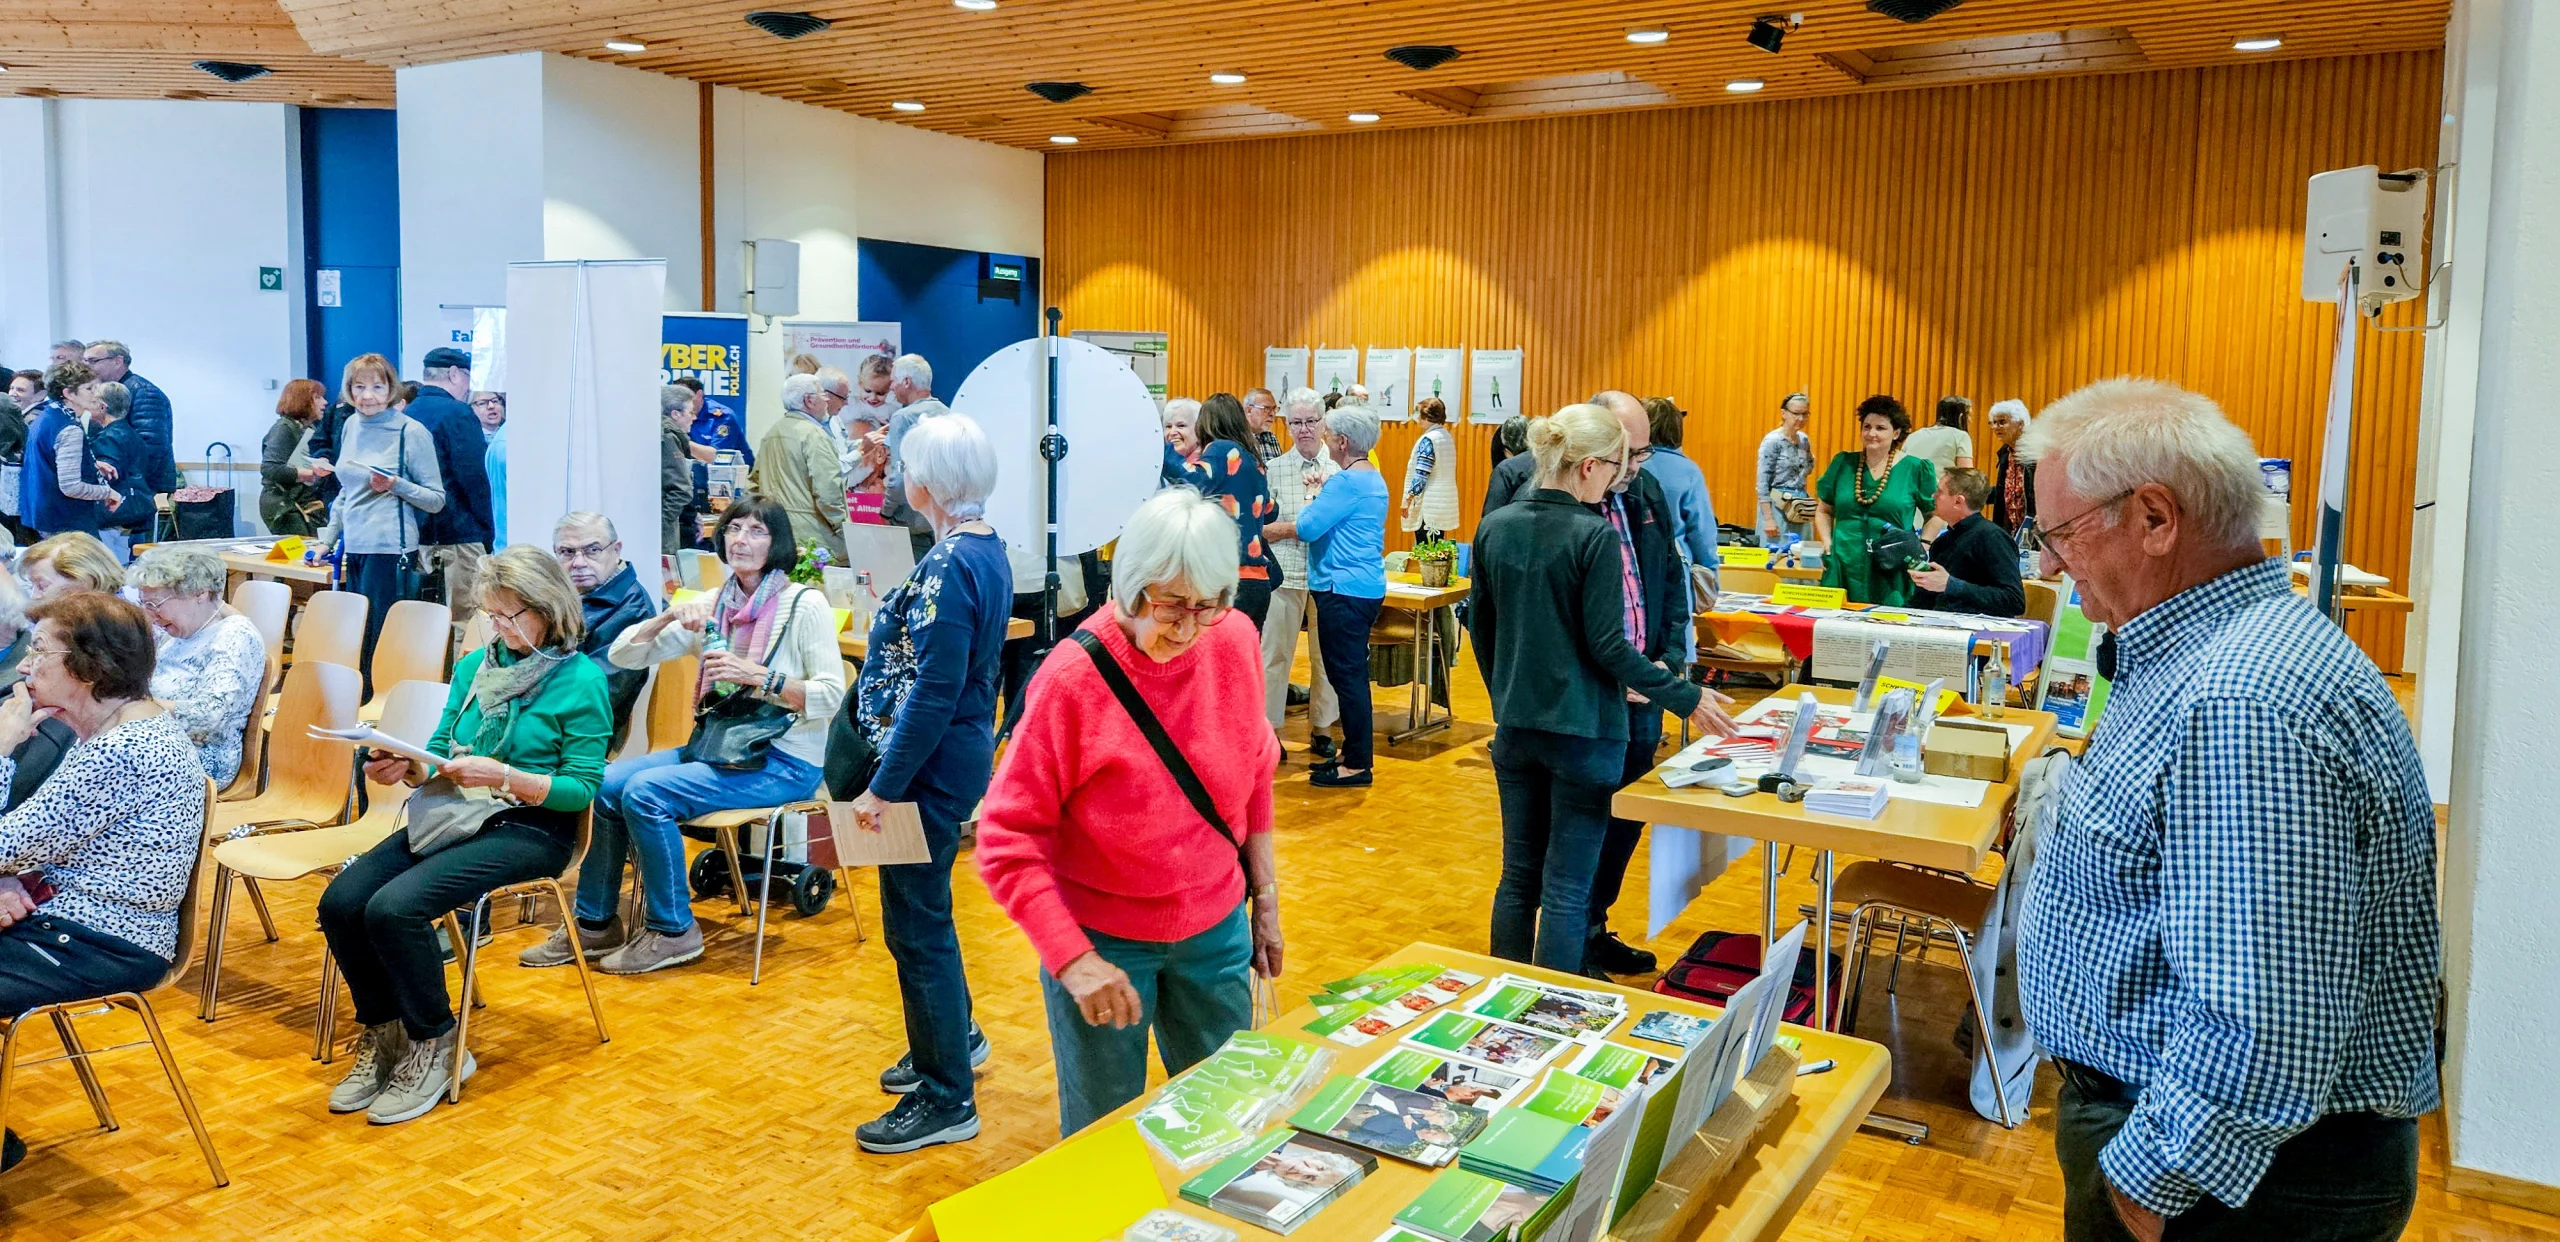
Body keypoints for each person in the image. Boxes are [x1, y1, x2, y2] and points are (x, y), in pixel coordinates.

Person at [2013, 378, 2439, 1242]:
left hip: (2234, 1180)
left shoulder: (2242, 697)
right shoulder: (2211, 655)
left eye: (2058, 534)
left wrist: (2145, 1181)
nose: (2050, 565)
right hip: (2225, 1154)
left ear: (2155, 519)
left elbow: (2265, 1019)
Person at [977, 488, 1284, 1138]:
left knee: (1227, 1129)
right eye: (1171, 605)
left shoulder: (1232, 639)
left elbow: (1257, 766)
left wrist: (1265, 901)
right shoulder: (1071, 682)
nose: (1187, 627)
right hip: (1105, 946)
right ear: (1129, 584)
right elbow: (1006, 840)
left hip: (1215, 932)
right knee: (1103, 1137)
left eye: (1208, 605)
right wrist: (1072, 961)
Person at [319, 546, 610, 1126]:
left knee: (394, 909)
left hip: (534, 826)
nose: (499, 629)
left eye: (510, 617)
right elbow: (444, 751)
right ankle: (387, 1034)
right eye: (491, 617)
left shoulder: (581, 681)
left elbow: (580, 791)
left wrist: (506, 776)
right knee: (342, 902)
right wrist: (407, 766)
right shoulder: (475, 665)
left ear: (548, 610)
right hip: (459, 811)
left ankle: (437, 1041)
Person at [1470, 404, 1728, 975]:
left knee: (1518, 877)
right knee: (1565, 887)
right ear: (1588, 467)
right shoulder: (1593, 535)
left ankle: (1501, 999)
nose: (1621, 478)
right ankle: (1550, 1013)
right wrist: (1685, 696)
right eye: (1616, 465)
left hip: (1517, 730)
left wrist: (1505, 697)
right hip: (1585, 734)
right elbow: (1609, 647)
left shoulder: (1495, 526)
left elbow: (1483, 630)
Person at [842, 415, 1013, 1153]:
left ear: (927, 483)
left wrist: (882, 789)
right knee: (919, 921)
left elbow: (934, 691)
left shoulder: (949, 566)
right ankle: (951, 1039)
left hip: (923, 773)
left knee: (916, 927)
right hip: (942, 761)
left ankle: (948, 1096)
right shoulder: (983, 550)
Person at [585, 496, 845, 975]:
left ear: (778, 543)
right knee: (605, 785)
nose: (742, 540)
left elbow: (832, 695)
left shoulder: (804, 605)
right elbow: (624, 655)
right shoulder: (714, 604)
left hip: (784, 763)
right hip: (717, 748)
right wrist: (666, 616)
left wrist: (758, 677)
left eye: (757, 531)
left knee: (645, 792)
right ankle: (595, 923)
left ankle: (672, 931)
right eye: (734, 529)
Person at [0, 592, 205, 1172]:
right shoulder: (114, 730)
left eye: (38, 652)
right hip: (75, 917)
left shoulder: (123, 750)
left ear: (86, 667)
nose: (23, 666)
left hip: (104, 942)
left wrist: (1, 749)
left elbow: (4, 845)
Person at [1585, 391, 1713, 976]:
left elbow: (1669, 585)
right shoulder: (1563, 498)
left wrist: (1665, 664)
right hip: (1594, 696)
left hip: (1648, 688)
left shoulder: (1647, 490)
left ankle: (1596, 923)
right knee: (1586, 819)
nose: (1638, 465)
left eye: (1644, 452)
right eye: (1628, 453)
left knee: (1628, 813)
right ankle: (1573, 933)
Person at [1258, 405, 1387, 788]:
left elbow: (1309, 527)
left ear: (1342, 442)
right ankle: (1353, 754)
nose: (1323, 437)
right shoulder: (1371, 477)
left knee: (1347, 679)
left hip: (1341, 590)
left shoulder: (1345, 483)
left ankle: (1358, 764)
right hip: (1362, 588)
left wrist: (1262, 531)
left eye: (1327, 432)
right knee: (1349, 676)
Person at [321, 352, 446, 675]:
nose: (367, 396)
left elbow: (436, 499)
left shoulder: (411, 432)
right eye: (359, 387)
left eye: (377, 387)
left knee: (383, 640)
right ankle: (356, 705)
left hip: (390, 549)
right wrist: (328, 540)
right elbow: (346, 492)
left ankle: (383, 709)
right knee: (357, 637)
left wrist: (395, 485)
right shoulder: (350, 425)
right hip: (356, 547)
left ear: (392, 389)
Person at [129, 547, 265, 788]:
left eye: (154, 604)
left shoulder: (234, 637)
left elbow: (207, 717)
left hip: (199, 760)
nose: (149, 615)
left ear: (200, 594)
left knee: (102, 764)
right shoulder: (177, 630)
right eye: (144, 604)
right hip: (157, 743)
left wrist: (132, 705)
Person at [1261, 390, 1340, 761]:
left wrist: (1289, 527)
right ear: (1287, 425)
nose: (1304, 429)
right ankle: (1269, 730)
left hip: (1328, 576)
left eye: (1311, 421)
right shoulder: (1274, 470)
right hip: (1285, 575)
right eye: (1296, 422)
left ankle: (1322, 728)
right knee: (1275, 655)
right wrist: (1301, 528)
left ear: (1324, 423)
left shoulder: (1340, 471)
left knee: (1327, 656)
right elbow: (1263, 527)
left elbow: (1341, 525)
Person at [1815, 394, 1936, 606]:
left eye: (1880, 428)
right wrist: (1827, 543)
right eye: (1867, 426)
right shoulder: (1843, 463)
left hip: (1891, 565)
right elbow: (1824, 510)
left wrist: (1923, 546)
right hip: (1844, 561)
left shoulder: (1916, 468)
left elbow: (1934, 515)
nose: (1872, 434)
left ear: (1896, 433)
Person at [1174, 394, 1280, 629]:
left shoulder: (1220, 449)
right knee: (1244, 660)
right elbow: (1270, 510)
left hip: (1229, 579)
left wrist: (1165, 453)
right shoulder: (1253, 459)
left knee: (1215, 660)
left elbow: (1194, 480)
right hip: (1258, 581)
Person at [409, 347, 497, 631]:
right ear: (455, 373)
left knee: (426, 625)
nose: (467, 388)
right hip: (458, 533)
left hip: (418, 535)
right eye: (467, 380)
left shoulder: (406, 413)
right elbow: (473, 478)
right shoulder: (457, 413)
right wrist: (486, 530)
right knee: (467, 621)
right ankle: (463, 676)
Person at [552, 512, 658, 736]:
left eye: (593, 550)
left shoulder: (632, 608)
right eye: (567, 552)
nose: (579, 563)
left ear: (616, 550)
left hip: (583, 732)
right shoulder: (560, 595)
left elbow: (596, 692)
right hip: (549, 714)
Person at [752, 373, 848, 566]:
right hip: (813, 537)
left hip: (777, 533)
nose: (827, 400)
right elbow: (828, 492)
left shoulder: (771, 433)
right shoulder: (815, 435)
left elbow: (754, 484)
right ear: (809, 400)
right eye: (823, 395)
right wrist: (843, 529)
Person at [1908, 468, 2025, 616]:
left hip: (1980, 631)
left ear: (1958, 501)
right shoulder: (1942, 542)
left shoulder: (1992, 537)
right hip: (1941, 625)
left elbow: (2014, 601)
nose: (1933, 496)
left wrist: (1951, 585)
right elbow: (1925, 600)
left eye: (1940, 491)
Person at [1640, 395, 1719, 606]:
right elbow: (1701, 531)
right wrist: (1710, 575)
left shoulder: (1626, 466)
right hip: (1674, 568)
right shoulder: (1688, 471)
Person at [23, 361, 116, 539]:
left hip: (46, 514)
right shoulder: (69, 428)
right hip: (66, 521)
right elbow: (71, 487)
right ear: (68, 393)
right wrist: (108, 492)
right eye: (90, 388)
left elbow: (51, 458)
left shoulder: (48, 414)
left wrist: (90, 464)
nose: (97, 394)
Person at [876, 354, 951, 560]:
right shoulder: (948, 414)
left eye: (893, 381)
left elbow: (899, 476)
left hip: (910, 523)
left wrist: (886, 511)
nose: (891, 387)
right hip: (942, 520)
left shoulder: (903, 418)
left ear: (906, 382)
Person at [79, 341, 174, 495]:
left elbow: (152, 446)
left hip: (139, 488)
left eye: (93, 361)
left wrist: (129, 481)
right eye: (84, 361)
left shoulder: (144, 393)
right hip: (120, 482)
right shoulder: (107, 390)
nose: (86, 367)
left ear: (118, 361)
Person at [88, 381, 155, 561]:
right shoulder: (132, 434)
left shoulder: (108, 438)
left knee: (108, 564)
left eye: (92, 401)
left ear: (103, 407)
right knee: (121, 563)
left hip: (111, 512)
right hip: (129, 511)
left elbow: (108, 475)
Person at [261, 379, 331, 537]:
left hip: (301, 502)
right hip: (283, 505)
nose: (325, 402)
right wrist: (309, 473)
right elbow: (270, 469)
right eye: (318, 397)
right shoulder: (284, 429)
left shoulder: (309, 428)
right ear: (303, 400)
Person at [1756, 392, 1816, 549]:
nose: (1801, 419)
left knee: (1801, 555)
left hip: (1800, 505)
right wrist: (1768, 519)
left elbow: (1809, 466)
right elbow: (1762, 483)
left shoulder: (1803, 440)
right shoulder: (1772, 441)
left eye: (1805, 414)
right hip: (1777, 506)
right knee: (1776, 555)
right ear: (1784, 413)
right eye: (1796, 414)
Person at [1400, 398, 1462, 543]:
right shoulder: (1445, 436)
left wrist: (1408, 499)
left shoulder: (1429, 439)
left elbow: (1421, 473)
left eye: (1420, 415)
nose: (1418, 419)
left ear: (1428, 417)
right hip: (1442, 502)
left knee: (1426, 551)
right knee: (1436, 548)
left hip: (1429, 506)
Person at [1985, 398, 2036, 537]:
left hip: (2034, 529)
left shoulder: (2036, 453)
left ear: (2020, 424)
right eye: (1993, 423)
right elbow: (2007, 490)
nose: (1996, 427)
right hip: (2009, 528)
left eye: (2002, 422)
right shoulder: (2005, 454)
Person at [21, 532, 125, 599]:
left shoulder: (119, 627)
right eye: (32, 586)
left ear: (83, 581)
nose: (34, 596)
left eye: (42, 586)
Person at [660, 384, 699, 552]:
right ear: (675, 414)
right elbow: (681, 490)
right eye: (691, 412)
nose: (694, 417)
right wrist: (663, 523)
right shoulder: (668, 437)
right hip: (663, 535)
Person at [1902, 395, 1976, 477]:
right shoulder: (1961, 436)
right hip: (1940, 489)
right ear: (1961, 416)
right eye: (1969, 415)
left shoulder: (1913, 436)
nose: (1970, 420)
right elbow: (1966, 476)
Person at [1158, 396, 1202, 488]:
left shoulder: (1210, 461)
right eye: (1168, 426)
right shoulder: (1157, 463)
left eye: (1181, 425)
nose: (1172, 432)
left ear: (1199, 429)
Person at [1243, 387, 1281, 459]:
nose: (1272, 414)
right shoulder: (1237, 438)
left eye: (1274, 409)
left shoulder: (1271, 438)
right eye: (1266, 408)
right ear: (1249, 410)